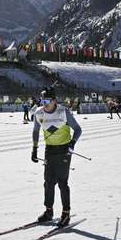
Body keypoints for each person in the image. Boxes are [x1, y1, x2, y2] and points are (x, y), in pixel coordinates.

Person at [30, 88, 82, 227]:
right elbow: (35, 131)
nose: (44, 103)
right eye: (42, 100)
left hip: (64, 150)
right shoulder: (39, 113)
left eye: (47, 100)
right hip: (50, 150)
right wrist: (34, 149)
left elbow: (78, 129)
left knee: (62, 183)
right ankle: (49, 211)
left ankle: (66, 213)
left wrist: (72, 144)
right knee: (48, 183)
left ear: (54, 100)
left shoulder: (63, 111)